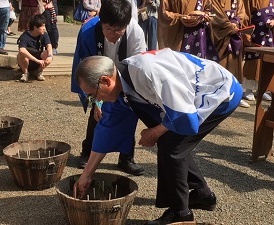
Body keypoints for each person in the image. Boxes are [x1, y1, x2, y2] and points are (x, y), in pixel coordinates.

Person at [74, 48, 243, 224]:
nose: (95, 101)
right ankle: (202, 194)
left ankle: (181, 214)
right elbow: (106, 131)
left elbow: (184, 116)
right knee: (173, 141)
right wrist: (87, 174)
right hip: (190, 99)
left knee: (172, 146)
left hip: (219, 93)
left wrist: (155, 132)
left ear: (105, 80)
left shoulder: (150, 73)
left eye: (93, 95)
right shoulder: (120, 83)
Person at [71, 0, 146, 175]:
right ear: (100, 20)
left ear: (126, 25)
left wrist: (121, 90)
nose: (112, 34)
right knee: (96, 114)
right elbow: (85, 68)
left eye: (118, 30)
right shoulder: (89, 31)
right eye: (108, 29)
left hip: (125, 76)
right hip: (97, 76)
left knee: (128, 111)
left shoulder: (136, 33)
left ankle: (126, 158)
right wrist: (96, 100)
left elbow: (137, 67)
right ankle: (87, 152)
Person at [211, 0, 250, 108]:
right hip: (219, 36)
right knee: (219, 65)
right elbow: (214, 14)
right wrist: (229, 26)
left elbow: (242, 13)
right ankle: (217, 95)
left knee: (234, 64)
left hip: (234, 34)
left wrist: (235, 22)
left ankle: (235, 95)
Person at [242, 0, 274, 101]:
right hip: (256, 32)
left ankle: (262, 89)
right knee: (253, 61)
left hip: (270, 33)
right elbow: (245, 13)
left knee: (266, 60)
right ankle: (248, 90)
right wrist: (247, 33)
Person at [17, 14, 53, 82]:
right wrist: (37, 60)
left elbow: (49, 45)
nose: (44, 28)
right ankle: (25, 73)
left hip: (39, 61)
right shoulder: (25, 36)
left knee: (47, 53)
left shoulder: (44, 34)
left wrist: (50, 56)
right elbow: (22, 50)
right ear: (35, 27)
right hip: (28, 61)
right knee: (21, 54)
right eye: (42, 26)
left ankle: (38, 72)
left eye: (44, 25)